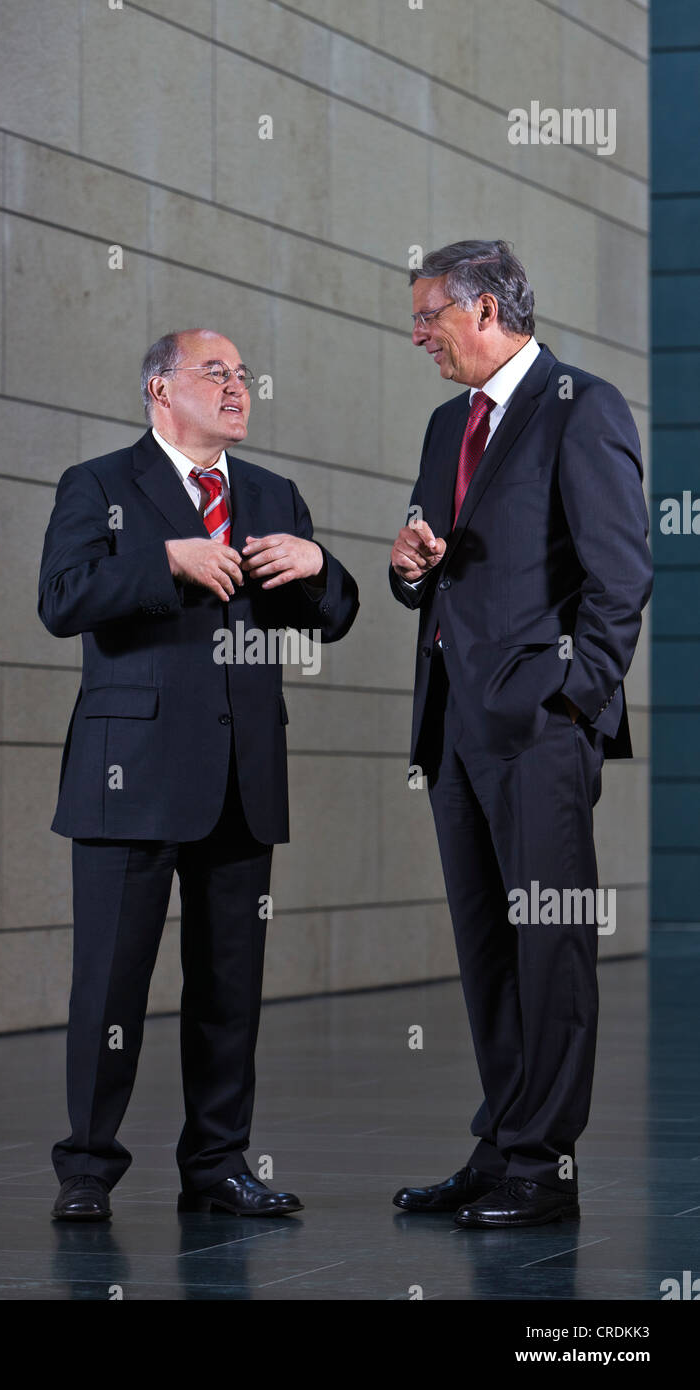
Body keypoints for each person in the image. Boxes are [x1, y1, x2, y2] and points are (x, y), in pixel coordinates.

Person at [39, 328, 359, 1220]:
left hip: (241, 777)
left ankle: (216, 1166)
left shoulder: (270, 493)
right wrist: (164, 562)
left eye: (242, 375)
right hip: (127, 774)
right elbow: (61, 600)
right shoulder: (99, 485)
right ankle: (88, 1171)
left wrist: (320, 567)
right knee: (111, 982)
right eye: (213, 373)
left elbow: (331, 616)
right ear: (157, 390)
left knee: (229, 988)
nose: (235, 387)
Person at [389, 241, 653, 1228]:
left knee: (550, 947)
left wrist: (572, 707)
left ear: (489, 308)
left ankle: (542, 1167)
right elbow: (437, 570)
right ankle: (501, 1143)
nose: (416, 335)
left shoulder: (582, 407)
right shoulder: (442, 425)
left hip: (538, 731)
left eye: (429, 317)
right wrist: (411, 568)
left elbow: (619, 577)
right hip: (453, 728)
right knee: (488, 948)